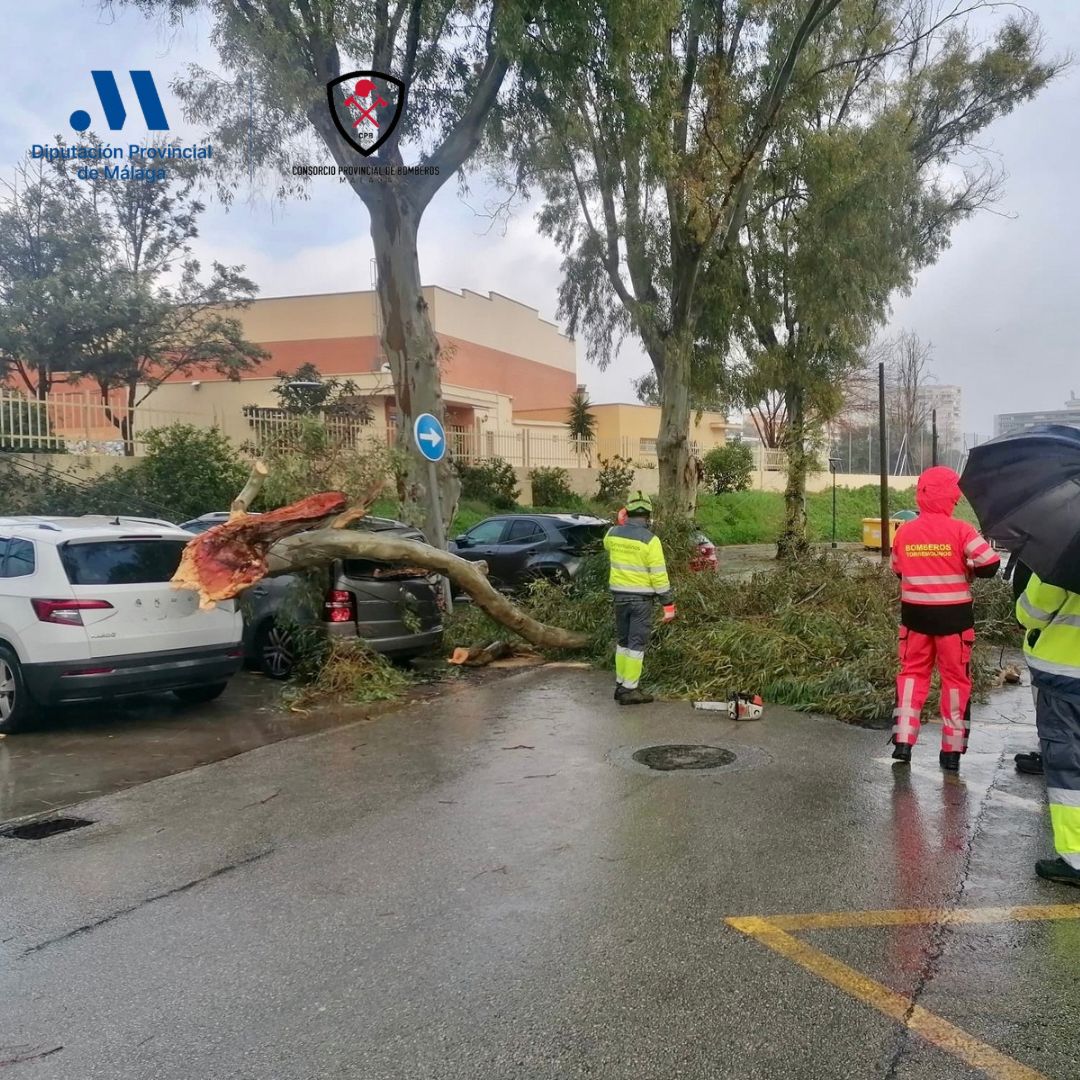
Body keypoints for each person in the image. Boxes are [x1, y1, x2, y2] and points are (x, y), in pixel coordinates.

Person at [890, 466, 1001, 770]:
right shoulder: (962, 530)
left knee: (912, 676)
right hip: (954, 622)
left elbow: (897, 568)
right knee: (955, 681)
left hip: (915, 619)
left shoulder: (905, 531)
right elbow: (991, 563)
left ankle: (903, 742)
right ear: (953, 495)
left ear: (921, 493)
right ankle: (950, 753)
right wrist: (968, 568)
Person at [1016, 572, 1080, 886]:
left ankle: (1075, 859)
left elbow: (1030, 611)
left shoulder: (1067, 552)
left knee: (1067, 767)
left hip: (1065, 676)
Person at [604, 491, 675, 706]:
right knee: (636, 644)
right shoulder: (651, 540)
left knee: (623, 641)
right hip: (641, 601)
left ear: (627, 513)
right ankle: (630, 689)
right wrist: (668, 604)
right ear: (648, 516)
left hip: (619, 597)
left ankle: (620, 684)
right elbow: (659, 575)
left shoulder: (612, 534)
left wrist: (620, 522)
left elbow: (606, 545)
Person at [1004, 553, 1043, 776]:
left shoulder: (1048, 554)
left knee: (1055, 714)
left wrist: (1020, 620)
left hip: (1056, 659)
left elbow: (1032, 612)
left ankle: (1053, 756)